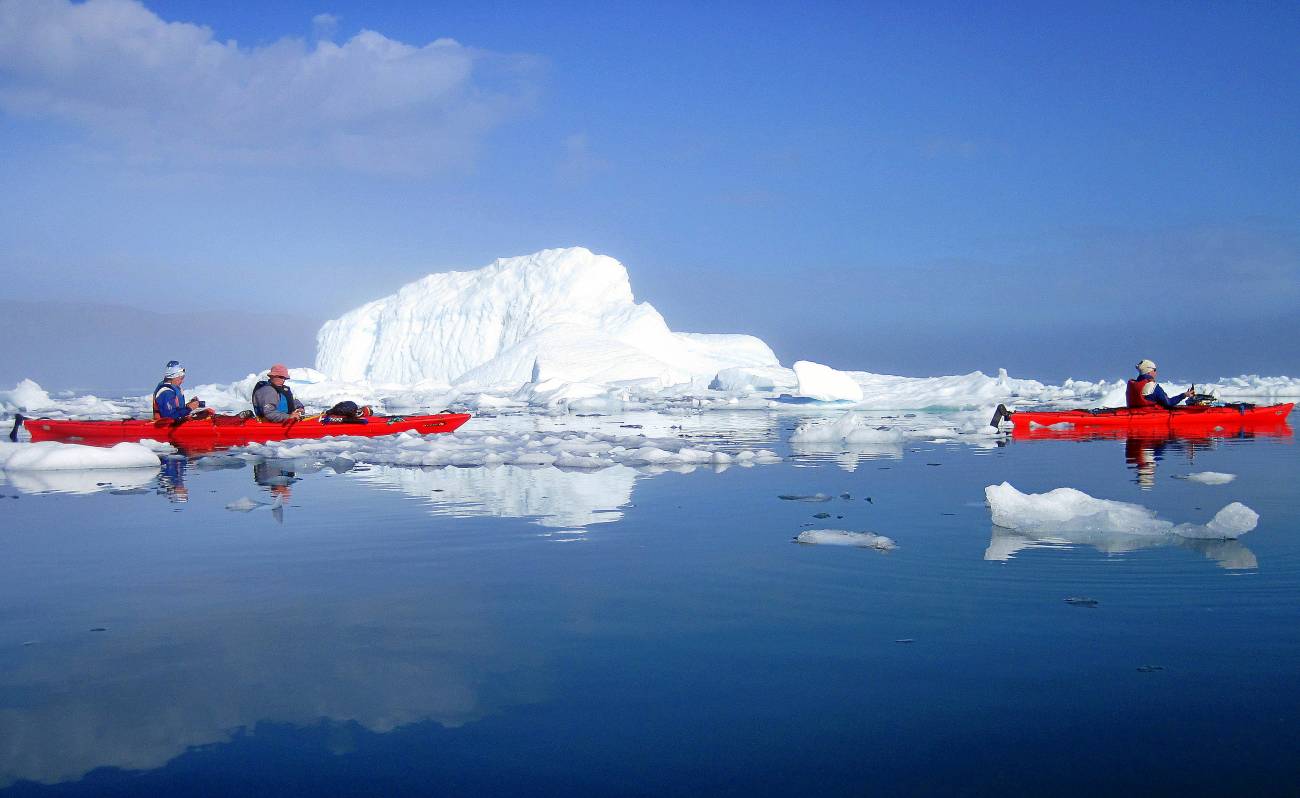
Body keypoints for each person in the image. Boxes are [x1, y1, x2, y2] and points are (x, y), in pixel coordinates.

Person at [1126, 359, 1193, 409]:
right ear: (1148, 371)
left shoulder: (1132, 385)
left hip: (1132, 413)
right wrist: (1184, 395)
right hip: (1150, 416)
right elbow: (1168, 403)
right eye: (1154, 370)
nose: (1156, 373)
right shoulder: (1153, 387)